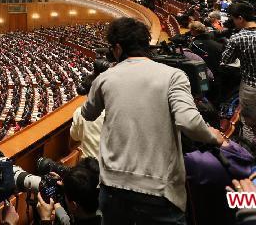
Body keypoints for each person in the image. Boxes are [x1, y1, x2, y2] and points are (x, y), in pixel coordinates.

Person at [80, 17, 225, 225]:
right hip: (159, 189)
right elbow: (189, 122)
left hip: (113, 187)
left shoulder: (105, 77)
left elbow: (87, 113)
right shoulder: (173, 75)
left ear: (118, 48)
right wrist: (214, 136)